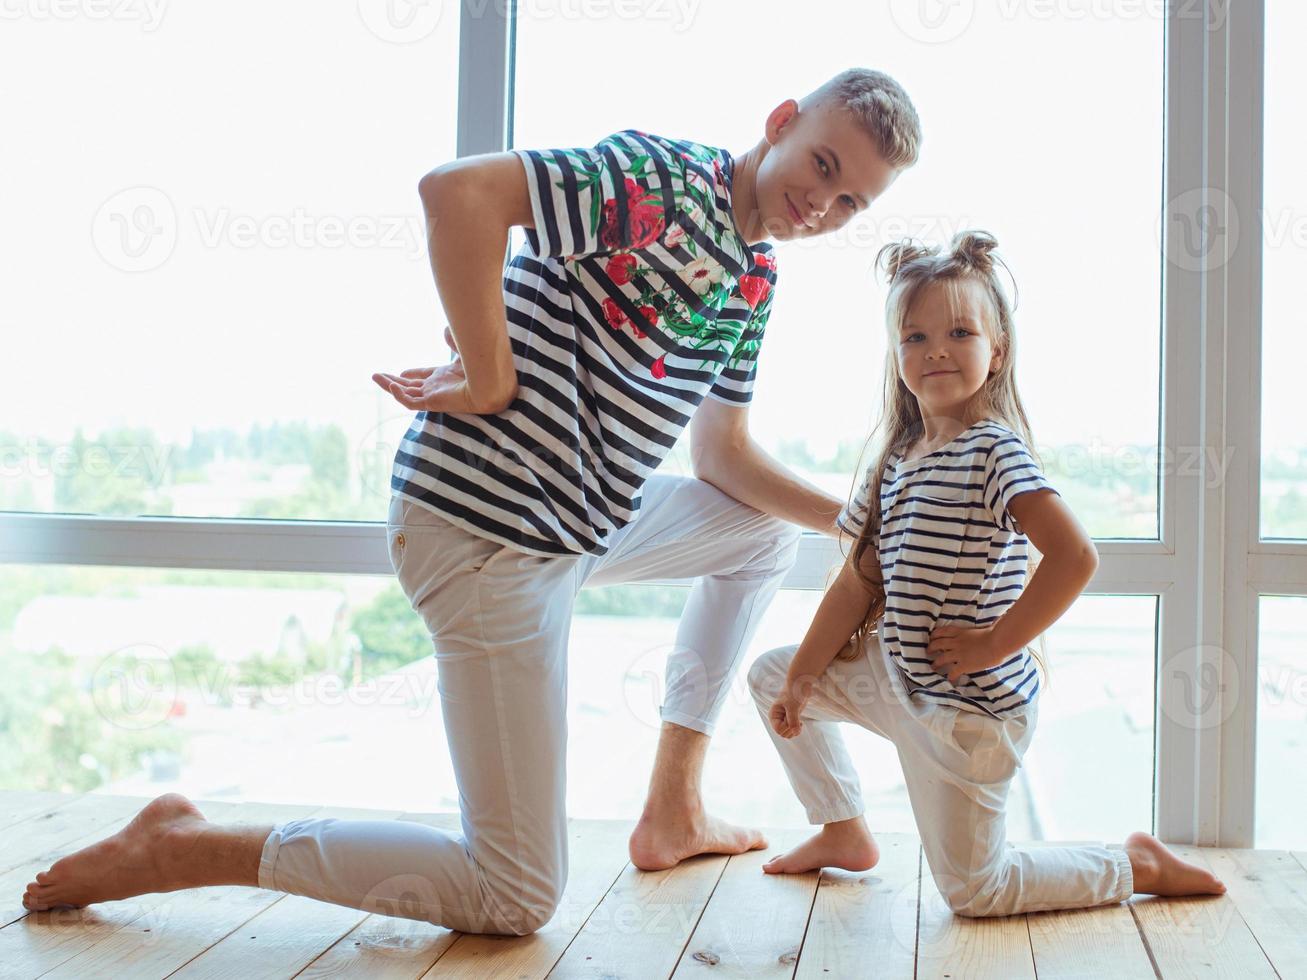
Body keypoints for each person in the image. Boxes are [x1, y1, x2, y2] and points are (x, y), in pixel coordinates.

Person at [22, 69, 923, 935]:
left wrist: (858, 520)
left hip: (571, 526)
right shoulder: (663, 180)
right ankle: (186, 847)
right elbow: (458, 192)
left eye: (851, 202)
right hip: (483, 534)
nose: (825, 202)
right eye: (823, 165)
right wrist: (491, 375)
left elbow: (721, 456)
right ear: (779, 124)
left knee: (759, 539)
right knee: (516, 896)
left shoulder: (755, 279)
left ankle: (672, 808)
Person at [746, 231, 1228, 915]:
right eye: (913, 337)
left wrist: (994, 643)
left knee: (975, 892)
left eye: (958, 331)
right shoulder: (896, 455)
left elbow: (1074, 556)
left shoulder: (994, 451)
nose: (934, 349)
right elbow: (855, 582)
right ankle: (841, 828)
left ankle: (1133, 865)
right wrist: (802, 679)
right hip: (898, 677)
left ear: (995, 351)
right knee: (772, 675)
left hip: (967, 713)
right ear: (895, 354)